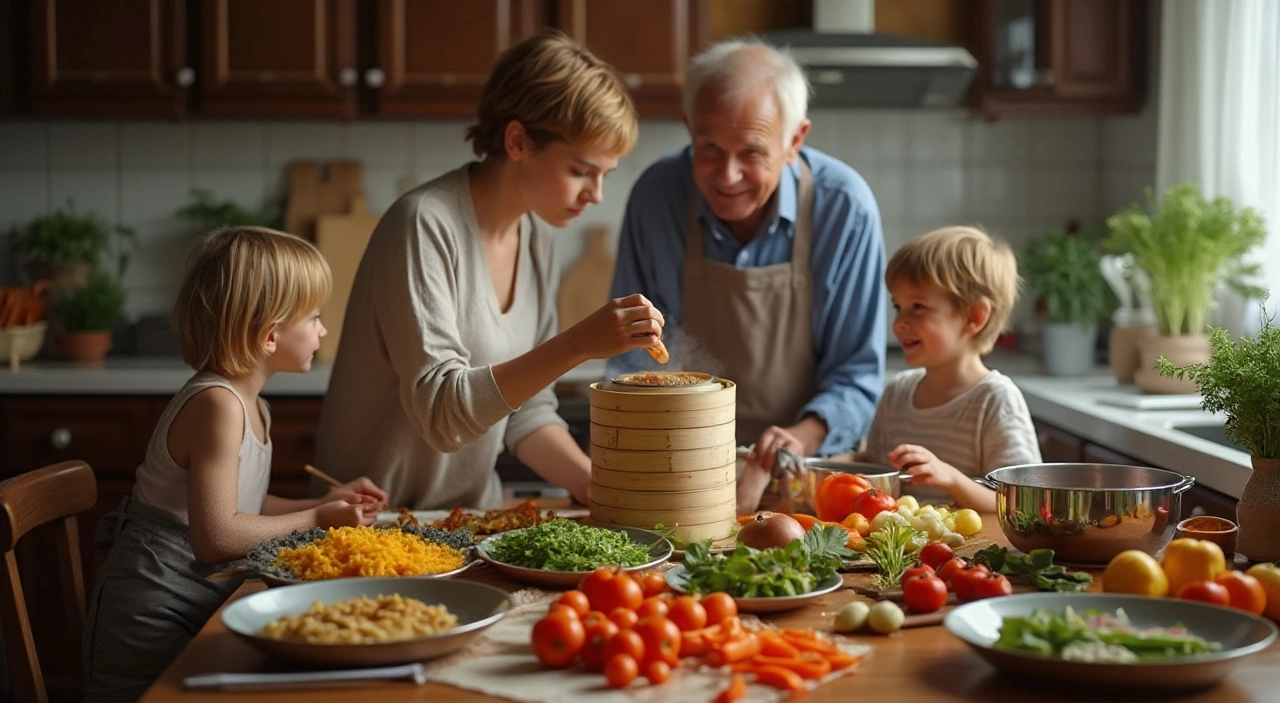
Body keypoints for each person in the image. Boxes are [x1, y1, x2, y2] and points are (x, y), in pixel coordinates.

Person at [314, 30, 659, 510]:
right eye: (581, 171)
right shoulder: (423, 225)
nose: (596, 195)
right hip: (373, 526)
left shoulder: (535, 237)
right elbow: (442, 416)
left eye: (606, 175)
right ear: (517, 141)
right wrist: (579, 344)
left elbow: (526, 412)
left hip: (466, 521)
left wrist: (596, 485)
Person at [82, 227, 388, 703]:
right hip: (152, 614)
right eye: (314, 317)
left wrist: (327, 503)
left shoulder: (255, 407)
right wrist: (317, 521)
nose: (323, 330)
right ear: (269, 334)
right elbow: (217, 535)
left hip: (203, 601)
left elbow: (244, 506)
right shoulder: (216, 405)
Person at [606, 38, 887, 512]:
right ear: (688, 128)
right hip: (681, 473)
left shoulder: (845, 209)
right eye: (710, 148)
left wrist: (800, 437)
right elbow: (634, 355)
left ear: (794, 141)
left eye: (752, 153)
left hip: (806, 481)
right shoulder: (656, 197)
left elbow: (856, 372)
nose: (728, 175)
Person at [855, 226, 1042, 511]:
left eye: (917, 306)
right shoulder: (897, 392)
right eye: (897, 306)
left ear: (974, 316)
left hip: (971, 554)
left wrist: (952, 478)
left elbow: (1022, 504)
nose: (899, 323)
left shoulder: (995, 400)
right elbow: (874, 470)